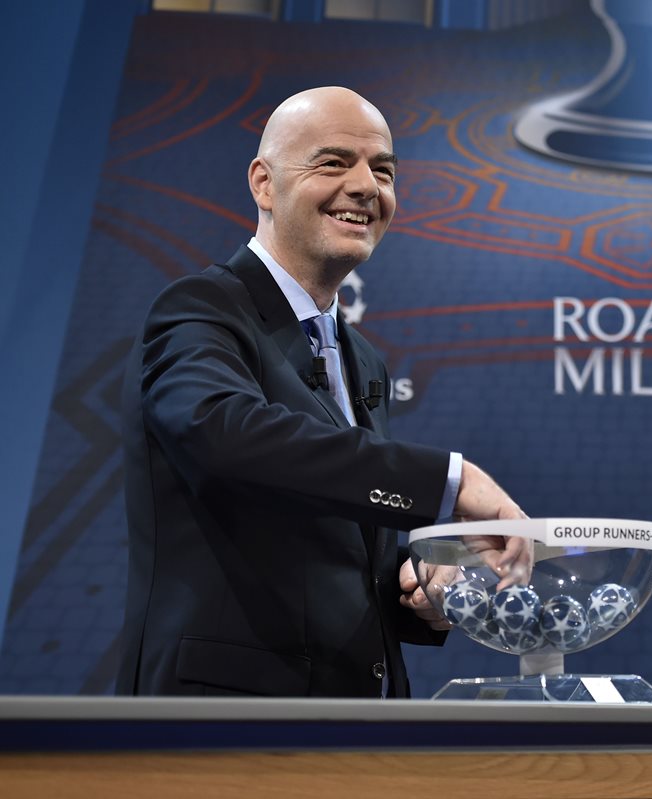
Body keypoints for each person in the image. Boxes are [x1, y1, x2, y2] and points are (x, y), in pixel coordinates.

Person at [117, 86, 526, 698]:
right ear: (263, 183)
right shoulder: (201, 309)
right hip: (220, 728)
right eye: (334, 162)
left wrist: (418, 583)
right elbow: (222, 439)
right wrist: (450, 481)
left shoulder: (361, 358)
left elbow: (322, 534)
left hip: (356, 731)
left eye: (383, 170)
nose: (366, 186)